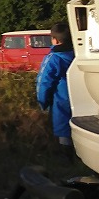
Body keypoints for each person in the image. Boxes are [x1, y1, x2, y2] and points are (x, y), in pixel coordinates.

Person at [35, 21, 76, 160]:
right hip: (81, 97)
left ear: (55, 40)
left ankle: (66, 159)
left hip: (61, 99)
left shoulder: (53, 58)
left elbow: (44, 82)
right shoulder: (78, 55)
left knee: (63, 128)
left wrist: (42, 101)